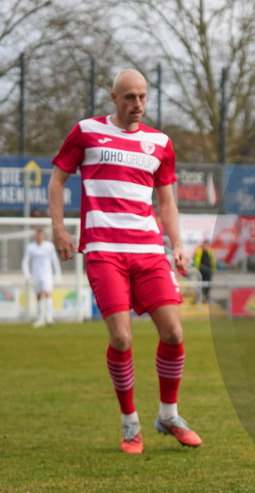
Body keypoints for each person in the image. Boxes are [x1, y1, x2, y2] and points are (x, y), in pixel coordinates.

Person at [48, 69, 201, 454]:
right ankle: (130, 423)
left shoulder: (160, 143)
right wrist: (59, 229)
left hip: (149, 252)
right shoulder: (85, 132)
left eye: (143, 97)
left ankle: (168, 415)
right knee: (121, 337)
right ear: (113, 98)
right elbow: (56, 179)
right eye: (130, 97)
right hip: (104, 251)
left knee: (174, 334)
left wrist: (177, 244)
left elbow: (166, 201)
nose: (137, 105)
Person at [22, 228, 61, 327]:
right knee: (39, 296)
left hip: (47, 274)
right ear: (35, 237)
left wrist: (57, 274)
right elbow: (25, 261)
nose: (39, 237)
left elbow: (54, 260)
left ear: (43, 236)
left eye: (41, 235)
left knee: (48, 293)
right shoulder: (30, 247)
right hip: (36, 274)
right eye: (38, 236)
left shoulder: (49, 246)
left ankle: (49, 317)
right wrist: (26, 274)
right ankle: (40, 318)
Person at [192, 238, 215, 304]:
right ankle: (200, 297)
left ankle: (206, 298)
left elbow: (213, 261)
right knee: (200, 285)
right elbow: (196, 261)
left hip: (208, 271)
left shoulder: (210, 251)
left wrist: (213, 269)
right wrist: (196, 270)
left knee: (208, 285)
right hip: (201, 272)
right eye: (205, 244)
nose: (206, 246)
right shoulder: (199, 251)